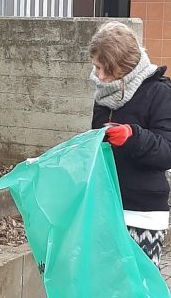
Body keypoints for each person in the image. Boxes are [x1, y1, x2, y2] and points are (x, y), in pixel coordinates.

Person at [90, 21, 171, 269]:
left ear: (124, 67)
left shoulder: (160, 92)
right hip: (107, 206)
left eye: (106, 70)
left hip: (143, 213)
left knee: (138, 289)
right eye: (96, 67)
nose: (100, 77)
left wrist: (132, 137)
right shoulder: (105, 95)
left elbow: (167, 151)